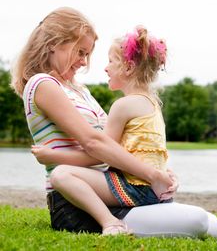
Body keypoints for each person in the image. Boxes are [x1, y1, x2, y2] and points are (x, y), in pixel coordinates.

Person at [11, 7, 217, 238]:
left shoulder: (80, 90)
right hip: (78, 201)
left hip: (115, 187)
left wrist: (155, 169)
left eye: (87, 54)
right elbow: (94, 143)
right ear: (53, 43)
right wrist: (151, 175)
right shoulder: (42, 84)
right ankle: (111, 223)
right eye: (80, 52)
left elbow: (115, 145)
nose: (84, 62)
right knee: (199, 222)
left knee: (214, 227)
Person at [31, 26, 174, 235]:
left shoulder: (123, 106)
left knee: (61, 175)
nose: (106, 68)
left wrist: (53, 155)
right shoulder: (152, 105)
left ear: (128, 67)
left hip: (133, 188)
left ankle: (111, 222)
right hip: (151, 190)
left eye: (111, 62)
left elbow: (98, 154)